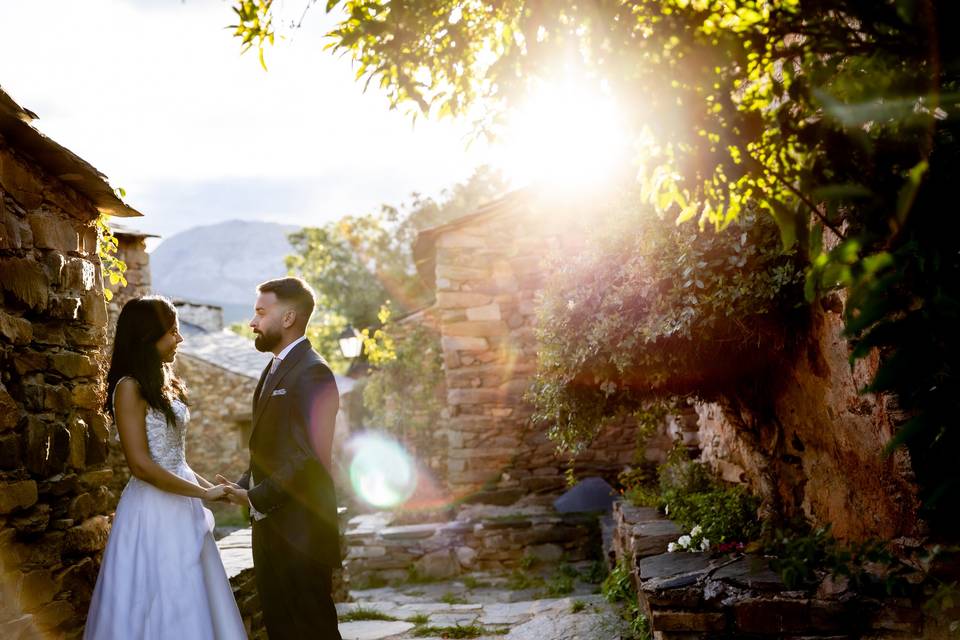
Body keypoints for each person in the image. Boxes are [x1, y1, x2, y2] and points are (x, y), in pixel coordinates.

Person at [84, 297, 246, 640]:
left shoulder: (164, 380)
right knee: (160, 593)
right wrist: (203, 493)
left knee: (193, 592)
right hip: (151, 511)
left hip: (182, 500)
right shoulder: (129, 388)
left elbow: (176, 459)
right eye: (173, 331)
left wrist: (214, 490)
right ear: (148, 336)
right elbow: (141, 465)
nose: (180, 339)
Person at [217, 277, 342, 639]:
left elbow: (307, 456)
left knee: (312, 629)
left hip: (301, 532)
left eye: (260, 312)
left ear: (288, 318)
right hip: (271, 530)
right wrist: (240, 486)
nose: (252, 322)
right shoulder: (273, 367)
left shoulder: (314, 372)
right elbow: (273, 451)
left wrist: (256, 496)